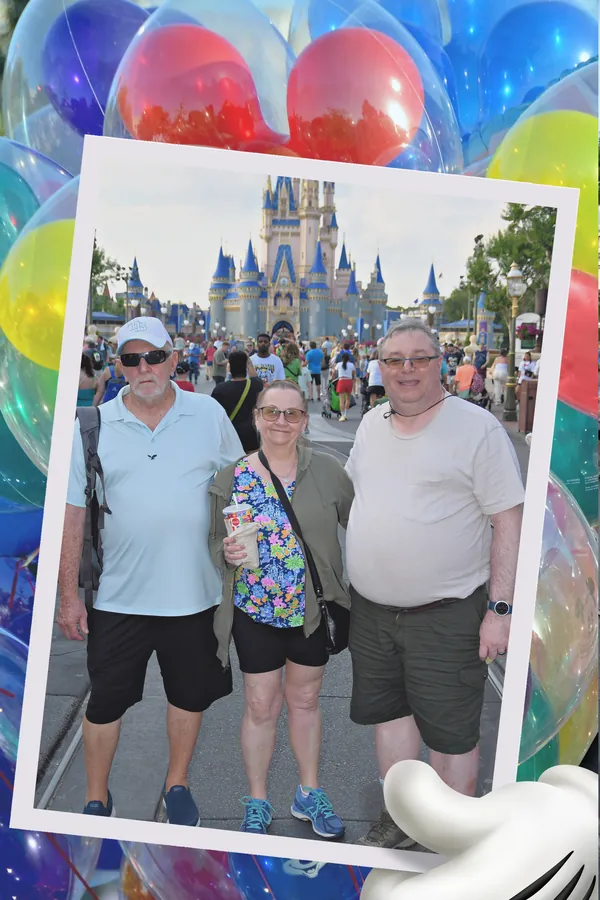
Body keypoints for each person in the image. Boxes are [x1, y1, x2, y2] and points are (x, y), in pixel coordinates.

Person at [345, 319, 524, 849]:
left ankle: (454, 841)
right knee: (391, 720)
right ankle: (402, 821)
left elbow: (507, 521)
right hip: (374, 613)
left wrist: (501, 608)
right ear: (379, 364)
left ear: (440, 362)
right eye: (395, 359)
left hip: (445, 614)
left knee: (450, 735)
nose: (406, 370)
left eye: (419, 358)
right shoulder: (371, 423)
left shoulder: (476, 429)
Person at [57, 316, 243, 826]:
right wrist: (67, 597)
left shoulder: (207, 414)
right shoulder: (92, 426)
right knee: (105, 704)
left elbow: (240, 485)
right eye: (133, 359)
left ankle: (176, 783)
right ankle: (97, 798)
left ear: (173, 358)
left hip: (195, 594)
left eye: (154, 357)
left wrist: (241, 540)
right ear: (118, 365)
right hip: (119, 598)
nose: (145, 368)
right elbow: (74, 514)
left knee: (189, 696)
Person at [208, 380, 353, 839]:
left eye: (292, 414)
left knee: (306, 701)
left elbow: (365, 525)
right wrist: (225, 553)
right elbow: (214, 539)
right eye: (272, 413)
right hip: (255, 614)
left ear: (305, 419)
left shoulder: (329, 471)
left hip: (310, 612)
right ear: (256, 418)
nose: (281, 423)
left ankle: (308, 792)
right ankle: (257, 799)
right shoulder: (230, 478)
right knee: (259, 705)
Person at [211, 350, 264, 452]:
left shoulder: (220, 389)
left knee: (233, 467)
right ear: (246, 367)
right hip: (251, 439)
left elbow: (214, 418)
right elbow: (254, 375)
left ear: (229, 367)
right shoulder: (255, 385)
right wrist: (248, 360)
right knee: (251, 466)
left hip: (230, 439)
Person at [335, 352, 355, 422]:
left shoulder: (339, 364)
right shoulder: (351, 365)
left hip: (341, 381)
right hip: (349, 381)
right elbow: (353, 373)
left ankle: (342, 415)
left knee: (341, 400)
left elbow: (334, 372)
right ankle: (345, 414)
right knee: (348, 399)